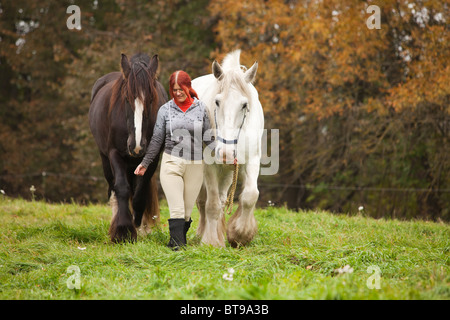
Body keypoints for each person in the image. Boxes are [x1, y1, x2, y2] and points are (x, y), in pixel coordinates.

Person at [134, 70, 213, 250]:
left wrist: (226, 155)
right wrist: (145, 163)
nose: (177, 93)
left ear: (188, 87)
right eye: (174, 89)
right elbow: (156, 139)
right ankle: (178, 249)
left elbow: (209, 137)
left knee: (186, 213)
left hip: (195, 165)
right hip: (172, 162)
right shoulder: (166, 110)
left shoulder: (201, 108)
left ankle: (175, 242)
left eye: (181, 89)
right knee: (176, 210)